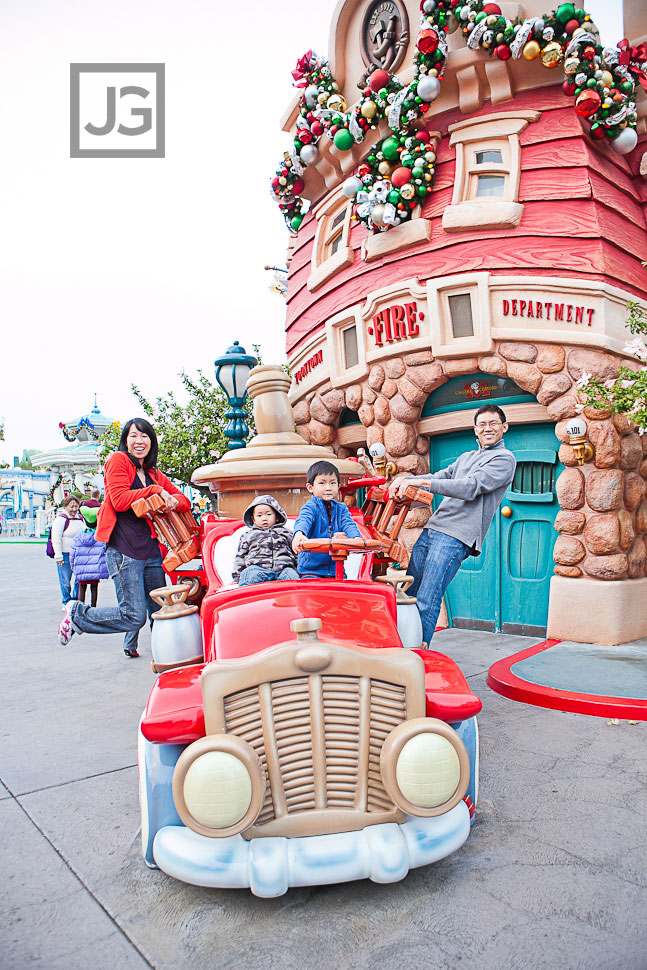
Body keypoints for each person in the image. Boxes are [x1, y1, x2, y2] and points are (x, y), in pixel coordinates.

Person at [57, 418, 190, 657]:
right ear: (125, 441)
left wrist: (169, 498)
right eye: (133, 436)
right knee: (133, 616)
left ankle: (168, 658)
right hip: (124, 549)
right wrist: (155, 491)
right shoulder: (118, 461)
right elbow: (118, 500)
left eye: (144, 436)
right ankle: (77, 613)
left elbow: (184, 501)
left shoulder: (153, 473)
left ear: (152, 441)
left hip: (151, 550)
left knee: (161, 610)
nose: (139, 441)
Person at [388, 404, 516, 645]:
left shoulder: (504, 459)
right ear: (475, 430)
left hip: (456, 536)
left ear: (504, 427)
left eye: (493, 423)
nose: (487, 428)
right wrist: (408, 479)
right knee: (411, 595)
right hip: (433, 529)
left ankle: (418, 655)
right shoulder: (466, 457)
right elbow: (440, 477)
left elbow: (470, 487)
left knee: (428, 598)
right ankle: (402, 648)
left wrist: (423, 486)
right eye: (482, 424)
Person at [292, 460, 361, 577]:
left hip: (336, 568)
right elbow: (304, 520)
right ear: (310, 487)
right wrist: (299, 534)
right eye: (322, 483)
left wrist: (355, 537)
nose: (328, 488)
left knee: (344, 591)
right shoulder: (310, 508)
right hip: (311, 570)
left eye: (333, 483)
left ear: (338, 486)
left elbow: (348, 524)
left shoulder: (341, 509)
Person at [232, 494, 299, 586]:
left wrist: (300, 570)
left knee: (293, 577)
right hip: (257, 569)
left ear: (277, 516)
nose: (264, 518)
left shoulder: (287, 533)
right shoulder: (248, 535)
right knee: (248, 574)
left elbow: (297, 553)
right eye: (259, 515)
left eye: (268, 514)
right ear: (253, 519)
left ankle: (294, 598)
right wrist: (236, 577)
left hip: (283, 569)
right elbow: (240, 557)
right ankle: (246, 598)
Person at [69, 505, 109, 607]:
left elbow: (72, 553)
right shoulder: (99, 537)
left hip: (81, 569)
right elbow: (105, 553)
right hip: (95, 569)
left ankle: (80, 609)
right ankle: (93, 607)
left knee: (81, 588)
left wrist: (73, 567)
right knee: (94, 588)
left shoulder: (78, 536)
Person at [51, 495, 84, 607]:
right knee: (65, 580)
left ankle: (75, 600)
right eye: (71, 507)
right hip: (65, 554)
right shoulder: (61, 520)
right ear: (65, 506)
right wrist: (58, 555)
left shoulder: (80, 518)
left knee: (79, 579)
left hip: (79, 554)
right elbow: (56, 538)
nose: (74, 509)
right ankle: (66, 601)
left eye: (76, 506)